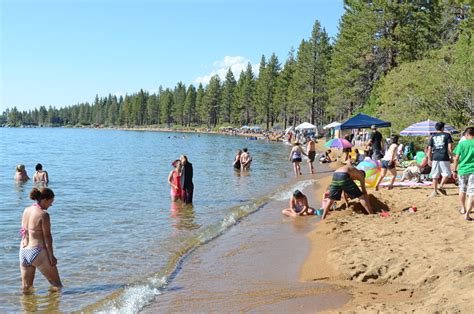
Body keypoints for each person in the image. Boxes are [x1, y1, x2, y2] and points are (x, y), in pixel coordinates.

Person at [19, 187, 62, 291]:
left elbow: (23, 230)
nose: (51, 205)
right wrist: (51, 256)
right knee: (57, 285)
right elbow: (47, 237)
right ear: (44, 200)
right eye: (50, 202)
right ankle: (56, 307)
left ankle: (27, 307)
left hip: (23, 251)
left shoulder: (26, 210)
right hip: (37, 251)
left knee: (26, 288)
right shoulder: (43, 215)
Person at [452, 127, 474, 221]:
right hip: (473, 170)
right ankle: (467, 214)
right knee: (472, 192)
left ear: (468, 134)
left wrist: (454, 170)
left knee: (462, 189)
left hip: (462, 170)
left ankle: (463, 208)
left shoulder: (461, 144)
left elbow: (456, 158)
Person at [427, 122, 454, 197]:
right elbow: (449, 148)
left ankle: (434, 192)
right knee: (447, 174)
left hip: (435, 157)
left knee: (435, 175)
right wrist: (451, 156)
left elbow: (429, 149)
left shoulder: (432, 136)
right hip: (444, 157)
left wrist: (429, 159)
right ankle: (441, 185)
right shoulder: (447, 135)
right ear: (442, 128)